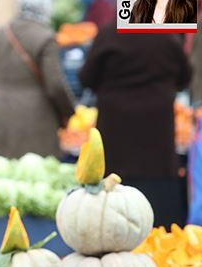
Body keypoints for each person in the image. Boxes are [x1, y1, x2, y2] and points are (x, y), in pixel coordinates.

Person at [79, 20, 190, 228]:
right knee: (160, 220)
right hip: (156, 136)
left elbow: (86, 78)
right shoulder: (166, 37)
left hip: (115, 134)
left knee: (111, 217)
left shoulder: (109, 34)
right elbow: (185, 77)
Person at [0, 0, 75, 159]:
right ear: (46, 8)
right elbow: (55, 85)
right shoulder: (45, 37)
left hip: (2, 111)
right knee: (36, 174)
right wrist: (69, 110)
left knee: (4, 174)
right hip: (37, 116)